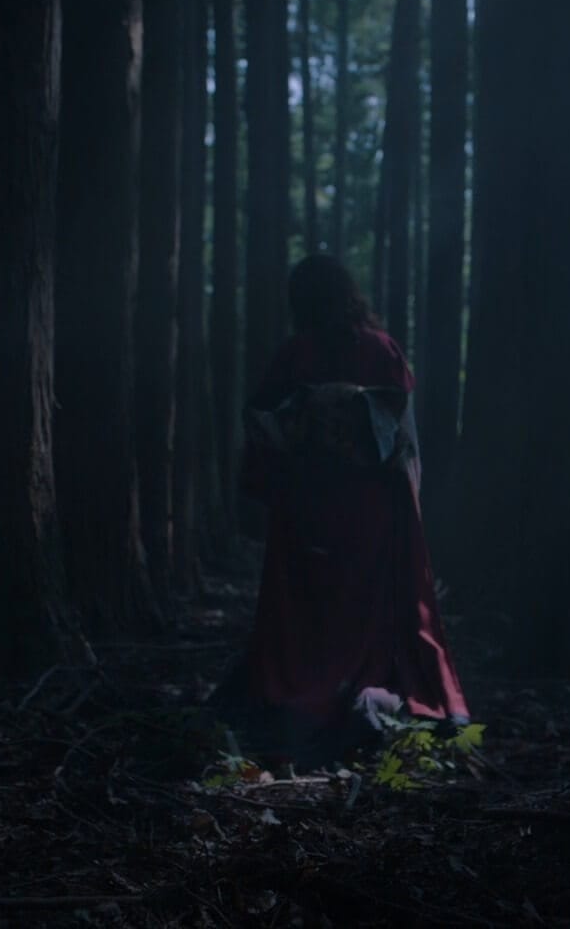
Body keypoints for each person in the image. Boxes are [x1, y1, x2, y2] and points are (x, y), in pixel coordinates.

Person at [210, 254, 469, 769]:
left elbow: (262, 426)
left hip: (307, 507)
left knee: (305, 608)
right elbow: (403, 441)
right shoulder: (381, 349)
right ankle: (360, 692)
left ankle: (307, 697)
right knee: (364, 608)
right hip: (369, 508)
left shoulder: (294, 355)